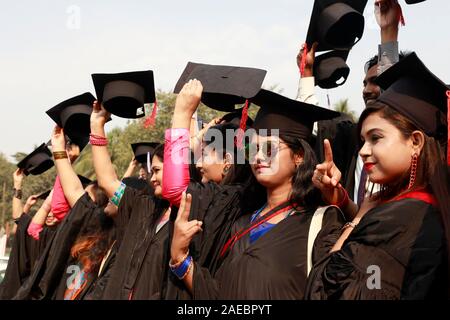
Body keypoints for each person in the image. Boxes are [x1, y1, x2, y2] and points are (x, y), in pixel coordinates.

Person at [169, 80, 345, 299]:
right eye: (253, 148)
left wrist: (340, 198)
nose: (259, 156)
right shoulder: (238, 221)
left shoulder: (319, 223)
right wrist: (180, 258)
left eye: (270, 147)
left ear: (299, 155)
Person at [306, 52, 450, 299]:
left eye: (376, 138)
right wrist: (344, 203)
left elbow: (324, 285)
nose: (363, 151)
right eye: (363, 140)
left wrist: (359, 218)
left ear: (415, 141)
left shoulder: (397, 220)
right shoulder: (430, 206)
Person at [162, 80, 265, 299]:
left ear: (227, 160)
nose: (198, 165)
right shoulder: (250, 195)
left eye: (204, 155)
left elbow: (174, 189)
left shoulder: (227, 199)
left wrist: (182, 114)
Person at [90, 101, 171, 300]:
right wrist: (97, 125)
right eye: (151, 172)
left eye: (158, 171)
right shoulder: (145, 206)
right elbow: (107, 180)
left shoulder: (194, 214)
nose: (152, 179)